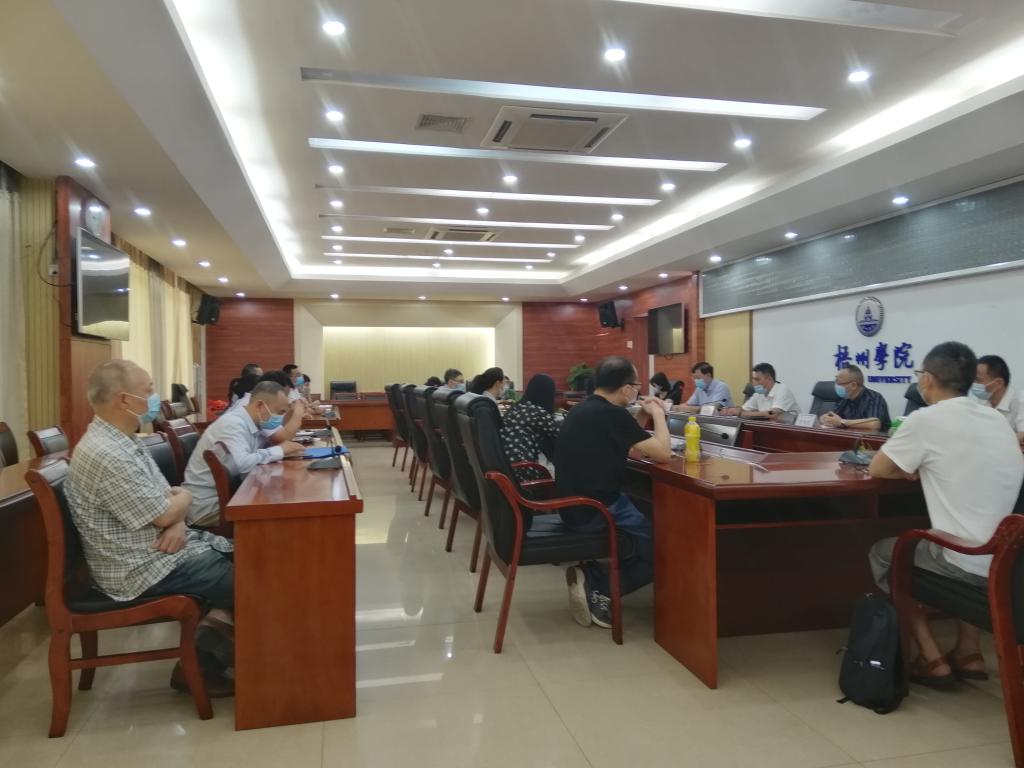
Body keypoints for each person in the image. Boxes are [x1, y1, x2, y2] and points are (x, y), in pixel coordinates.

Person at [65, 360, 236, 696]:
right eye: (149, 391)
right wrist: (176, 510)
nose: (155, 398)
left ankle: (203, 663)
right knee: (255, 580)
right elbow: (164, 511)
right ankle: (238, 670)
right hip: (141, 567)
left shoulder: (125, 441)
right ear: (124, 400)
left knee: (253, 562)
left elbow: (169, 498)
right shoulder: (106, 453)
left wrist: (177, 518)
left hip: (163, 550)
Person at [868, 342, 1024, 686]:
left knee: (884, 552)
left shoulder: (925, 420)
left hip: (968, 563)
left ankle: (930, 657)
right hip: (1011, 559)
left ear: (927, 379)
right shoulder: (998, 421)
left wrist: (916, 468)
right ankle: (969, 652)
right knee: (968, 533)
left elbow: (878, 468)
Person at [555, 356, 672, 628]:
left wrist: (642, 415)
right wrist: (658, 414)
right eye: (637, 386)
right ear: (627, 389)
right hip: (599, 509)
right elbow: (664, 454)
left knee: (646, 520)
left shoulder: (583, 409)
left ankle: (594, 575)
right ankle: (600, 586)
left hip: (573, 506)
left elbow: (629, 442)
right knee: (663, 551)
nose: (638, 391)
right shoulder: (612, 414)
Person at [183, 381, 304, 526]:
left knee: (280, 499)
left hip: (226, 496)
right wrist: (280, 450)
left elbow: (248, 457)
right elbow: (243, 464)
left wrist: (280, 451)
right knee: (284, 513)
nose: (279, 418)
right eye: (279, 412)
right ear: (260, 405)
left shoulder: (249, 422)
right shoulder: (233, 424)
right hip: (207, 507)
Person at [501, 374, 560, 482]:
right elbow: (560, 435)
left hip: (506, 468)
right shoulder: (537, 413)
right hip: (523, 471)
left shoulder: (515, 408)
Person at [820, 363, 891, 432]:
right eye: (836, 382)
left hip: (873, 439)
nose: (837, 386)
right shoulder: (844, 398)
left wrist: (842, 422)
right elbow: (832, 417)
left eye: (839, 384)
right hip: (848, 437)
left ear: (853, 385)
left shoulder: (874, 398)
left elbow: (874, 424)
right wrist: (825, 418)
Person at [974, 355, 1024, 447]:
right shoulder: (978, 402)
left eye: (977, 380)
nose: (973, 384)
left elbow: (1022, 435)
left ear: (999, 383)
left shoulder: (1021, 400)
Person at [723, 363, 800, 420]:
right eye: (753, 379)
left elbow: (772, 413)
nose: (753, 383)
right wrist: (731, 410)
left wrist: (743, 414)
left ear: (769, 379)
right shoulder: (759, 393)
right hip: (772, 428)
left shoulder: (782, 389)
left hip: (794, 431)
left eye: (757, 379)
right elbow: (743, 409)